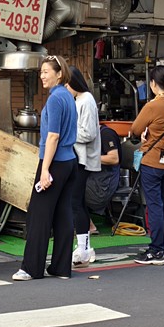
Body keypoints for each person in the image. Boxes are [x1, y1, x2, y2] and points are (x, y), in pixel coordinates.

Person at [13, 55, 78, 281]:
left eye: (46, 72)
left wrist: (44, 170)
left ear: (59, 74)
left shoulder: (55, 99)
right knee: (62, 213)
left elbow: (52, 137)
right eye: (40, 72)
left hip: (55, 161)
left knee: (39, 215)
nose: (42, 76)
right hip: (69, 160)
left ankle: (31, 268)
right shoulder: (68, 97)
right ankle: (61, 267)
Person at [129, 65, 164, 266]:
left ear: (153, 83)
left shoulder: (153, 105)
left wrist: (146, 132)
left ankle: (156, 249)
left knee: (155, 205)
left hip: (152, 162)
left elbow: (135, 129)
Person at [66, 67, 100, 267]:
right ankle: (84, 247)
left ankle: (83, 248)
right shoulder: (81, 99)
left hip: (82, 159)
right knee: (77, 203)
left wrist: (66, 134)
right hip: (80, 158)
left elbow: (88, 134)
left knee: (75, 202)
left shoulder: (85, 100)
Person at [85, 124, 122, 225]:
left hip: (104, 184)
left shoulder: (106, 134)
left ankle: (87, 225)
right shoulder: (90, 135)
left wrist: (87, 158)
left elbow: (114, 159)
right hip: (95, 179)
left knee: (70, 188)